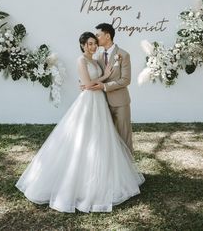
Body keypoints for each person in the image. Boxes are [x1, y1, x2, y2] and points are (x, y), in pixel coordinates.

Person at [15, 32, 145, 213]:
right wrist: (102, 77)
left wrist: (96, 80)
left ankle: (107, 175)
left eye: (94, 43)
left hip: (100, 101)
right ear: (83, 45)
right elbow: (87, 83)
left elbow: (89, 82)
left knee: (102, 137)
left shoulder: (96, 59)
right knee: (84, 136)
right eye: (89, 44)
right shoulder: (81, 60)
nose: (93, 46)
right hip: (89, 101)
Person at [91, 23, 134, 155]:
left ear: (107, 36)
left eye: (98, 35)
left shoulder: (123, 55)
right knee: (106, 137)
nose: (96, 38)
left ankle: (129, 171)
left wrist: (105, 86)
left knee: (124, 136)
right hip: (102, 103)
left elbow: (126, 80)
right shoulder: (97, 57)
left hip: (120, 102)